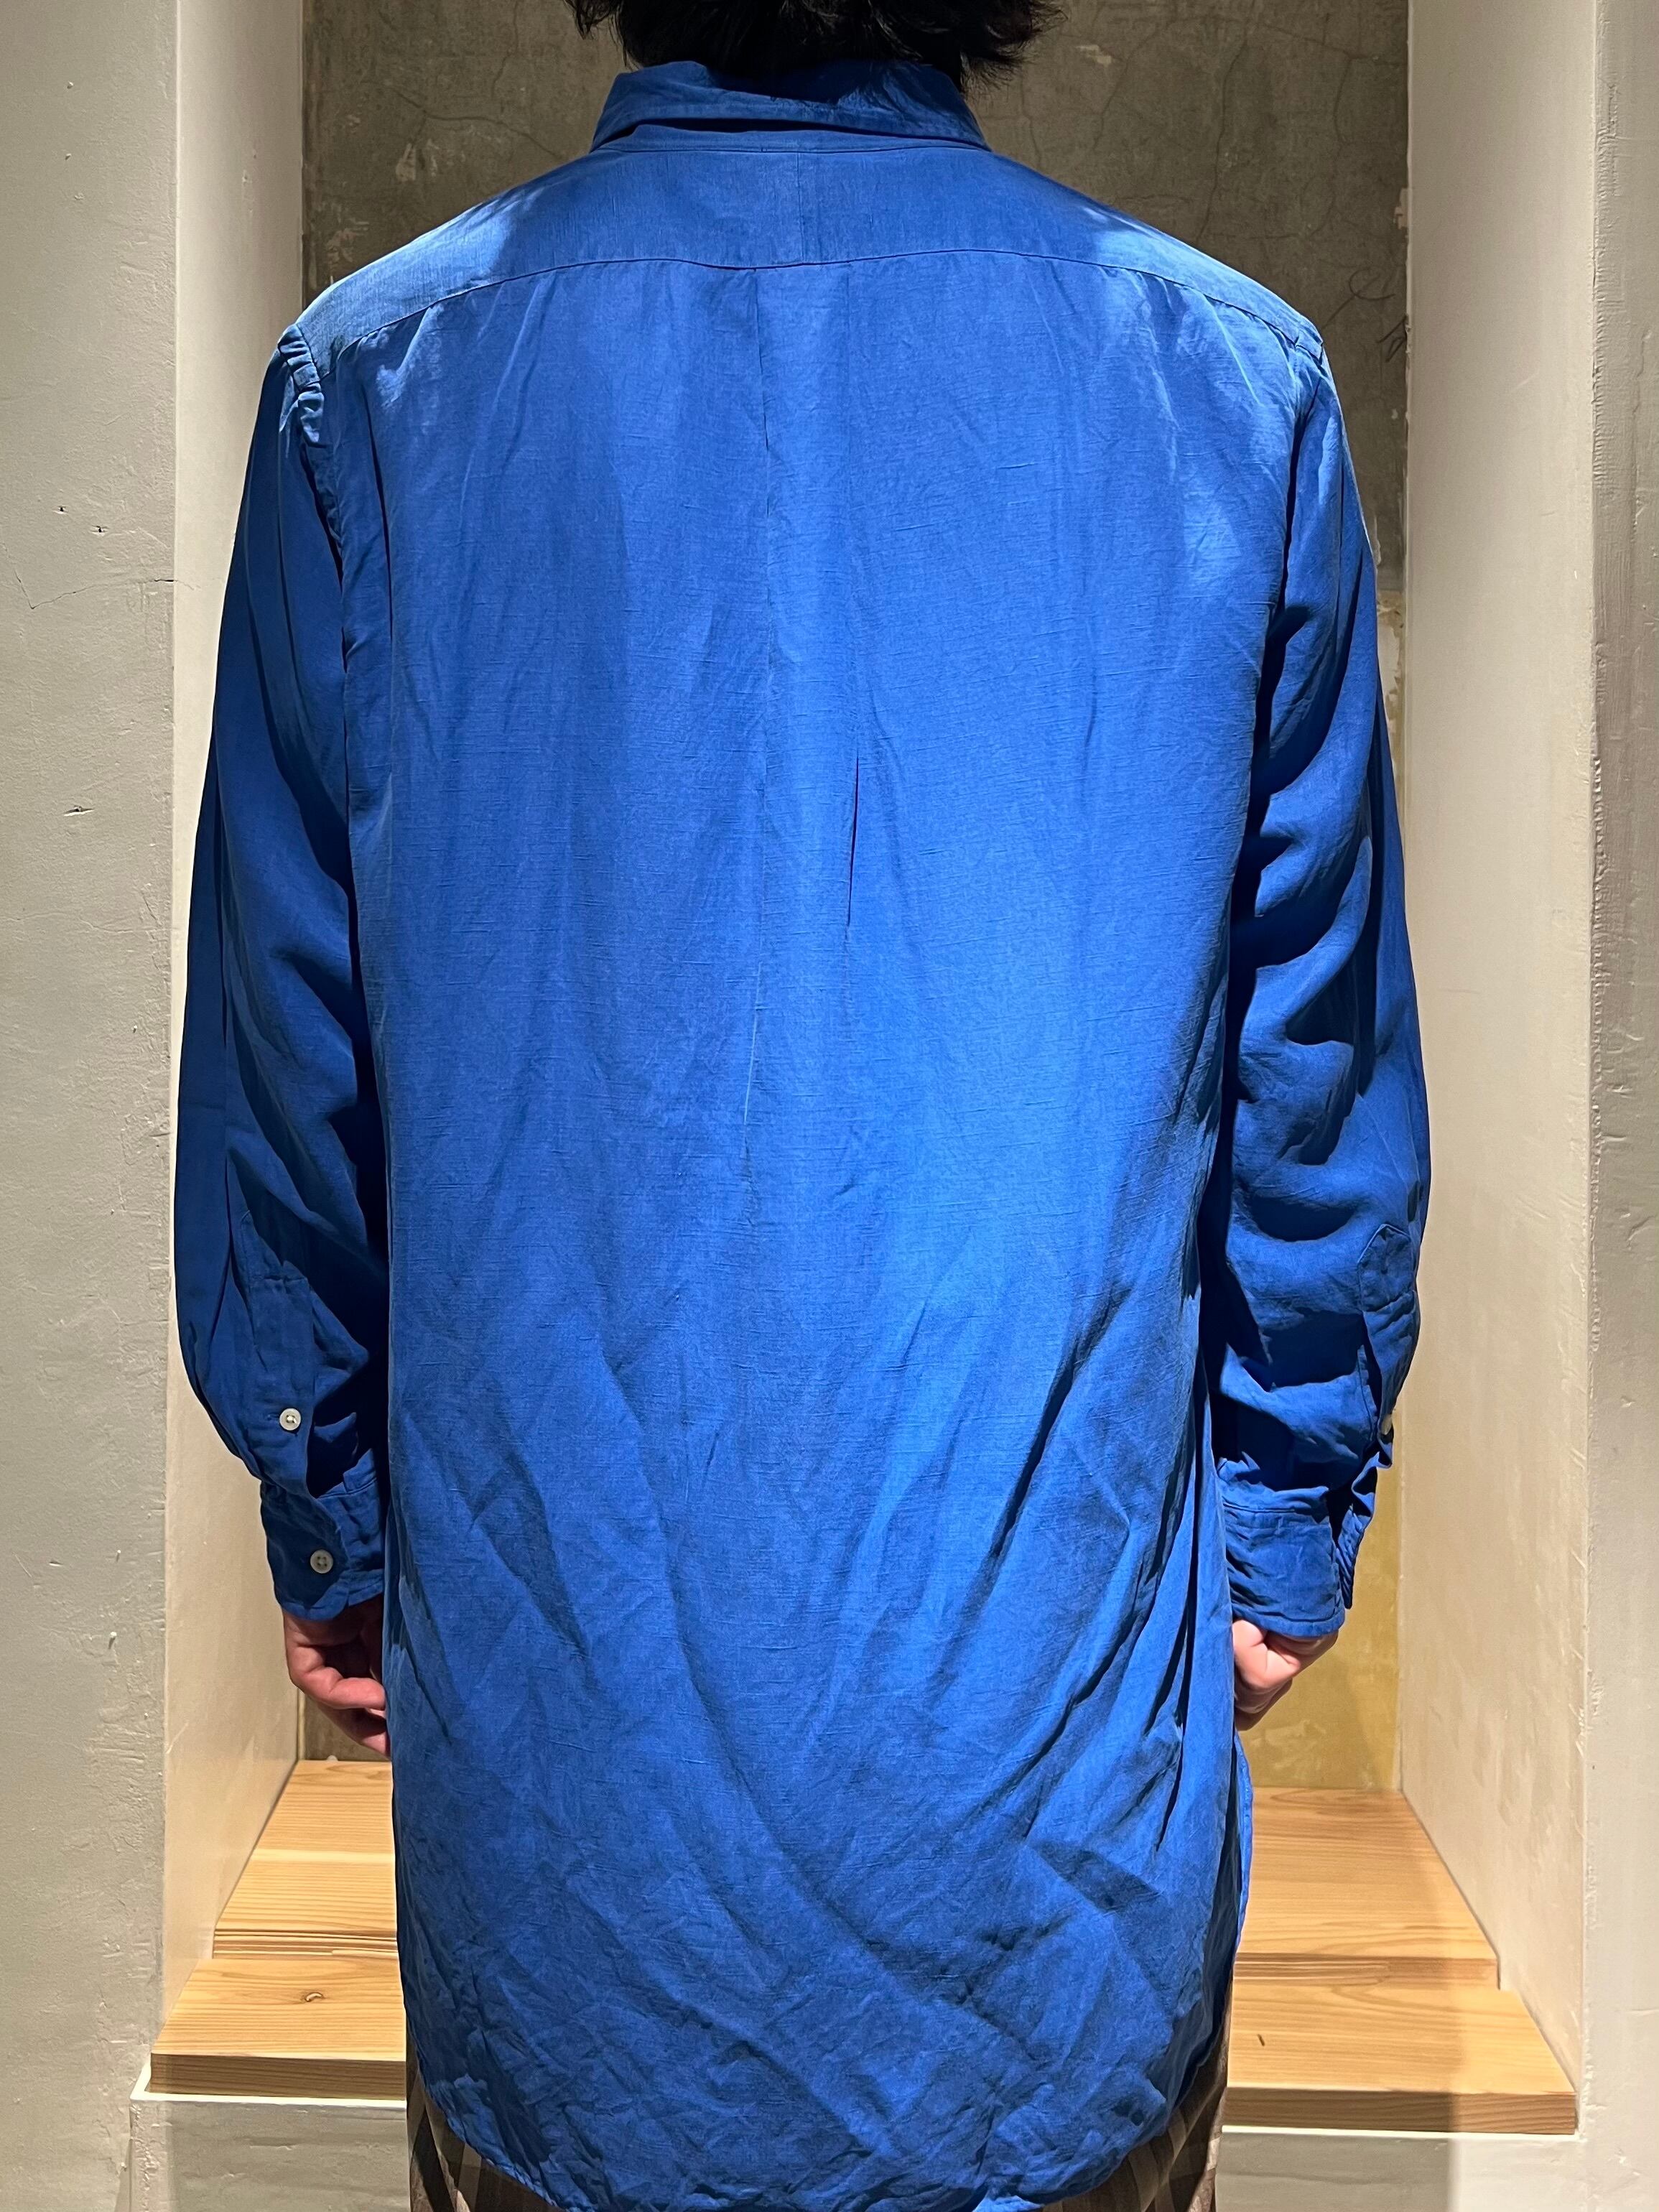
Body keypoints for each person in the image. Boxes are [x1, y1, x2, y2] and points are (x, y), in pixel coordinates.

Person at [174, 3, 1429, 2208]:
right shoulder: (1231, 388)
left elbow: (291, 1063)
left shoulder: (371, 390)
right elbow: (1307, 1063)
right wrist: (1286, 1518)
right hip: (1049, 1869)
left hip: (573, 1889)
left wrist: (335, 1506)